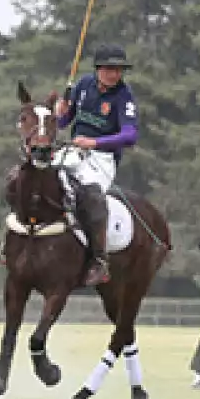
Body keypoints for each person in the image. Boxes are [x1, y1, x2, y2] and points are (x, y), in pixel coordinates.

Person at [53, 44, 139, 287]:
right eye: (110, 69)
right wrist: (60, 114)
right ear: (98, 69)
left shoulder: (124, 96)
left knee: (92, 197)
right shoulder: (83, 85)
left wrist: (95, 142)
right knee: (37, 177)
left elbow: (130, 135)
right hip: (72, 151)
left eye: (119, 69)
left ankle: (99, 261)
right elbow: (62, 123)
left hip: (102, 158)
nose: (115, 74)